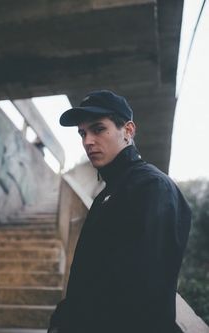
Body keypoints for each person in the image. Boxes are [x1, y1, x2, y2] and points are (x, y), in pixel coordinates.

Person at [47, 90, 191, 333]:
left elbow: (144, 290)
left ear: (128, 130)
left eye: (98, 129)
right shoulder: (109, 192)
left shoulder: (152, 188)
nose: (87, 141)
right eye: (83, 133)